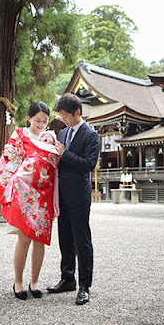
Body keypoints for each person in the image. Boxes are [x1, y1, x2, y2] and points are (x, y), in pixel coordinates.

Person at [0, 102, 60, 300]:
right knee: (24, 239)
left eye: (45, 121)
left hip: (43, 193)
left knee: (40, 240)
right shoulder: (20, 134)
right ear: (29, 118)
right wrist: (15, 155)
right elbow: (8, 158)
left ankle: (35, 281)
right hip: (24, 193)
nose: (41, 124)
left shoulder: (50, 139)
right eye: (37, 120)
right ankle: (18, 282)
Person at [47, 93, 100, 305]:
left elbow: (89, 164)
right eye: (61, 116)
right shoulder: (63, 133)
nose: (63, 120)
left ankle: (84, 285)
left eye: (66, 116)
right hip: (62, 195)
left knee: (82, 241)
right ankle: (67, 278)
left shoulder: (91, 135)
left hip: (79, 195)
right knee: (65, 240)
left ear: (78, 112)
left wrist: (64, 153)